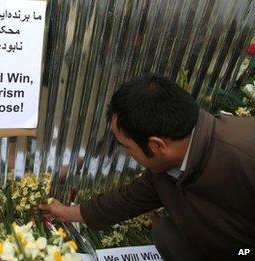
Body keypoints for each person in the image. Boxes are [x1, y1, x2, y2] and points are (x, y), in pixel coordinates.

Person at [40, 74, 255, 260]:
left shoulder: (244, 157)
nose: (126, 154)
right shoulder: (172, 160)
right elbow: (128, 199)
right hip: (233, 244)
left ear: (157, 145)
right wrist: (66, 212)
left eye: (127, 147)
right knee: (167, 234)